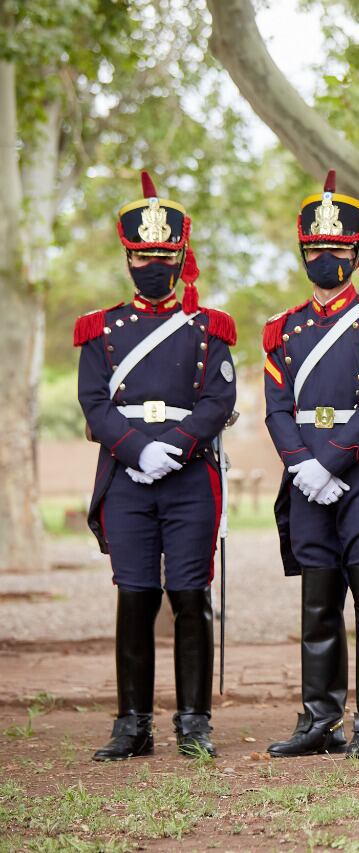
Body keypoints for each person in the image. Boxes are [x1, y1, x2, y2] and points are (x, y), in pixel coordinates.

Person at [76, 171, 237, 760]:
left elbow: (221, 399)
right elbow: (93, 400)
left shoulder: (207, 328)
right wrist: (136, 450)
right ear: (128, 258)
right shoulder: (101, 330)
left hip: (189, 474)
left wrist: (176, 444)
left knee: (191, 596)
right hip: (126, 477)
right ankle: (132, 723)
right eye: (142, 255)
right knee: (135, 596)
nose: (152, 265)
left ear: (180, 257)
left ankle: (194, 722)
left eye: (163, 255)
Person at [263, 170, 359, 760]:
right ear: (304, 253)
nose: (326, 257)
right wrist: (302, 466)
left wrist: (328, 464)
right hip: (306, 481)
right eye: (316, 249)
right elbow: (275, 407)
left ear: (357, 252)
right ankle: (320, 717)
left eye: (337, 249)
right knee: (319, 600)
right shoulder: (284, 328)